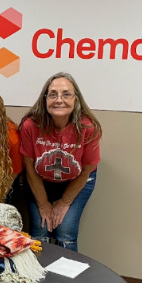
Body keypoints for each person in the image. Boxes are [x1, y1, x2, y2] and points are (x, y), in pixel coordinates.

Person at [19, 72, 102, 252]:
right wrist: (44, 204)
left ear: (76, 99)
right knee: (41, 228)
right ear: (45, 99)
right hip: (39, 180)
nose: (59, 100)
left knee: (65, 231)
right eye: (53, 94)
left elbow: (87, 169)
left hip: (77, 180)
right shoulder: (30, 125)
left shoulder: (89, 128)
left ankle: (67, 279)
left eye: (66, 94)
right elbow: (30, 169)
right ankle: (37, 278)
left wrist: (64, 202)